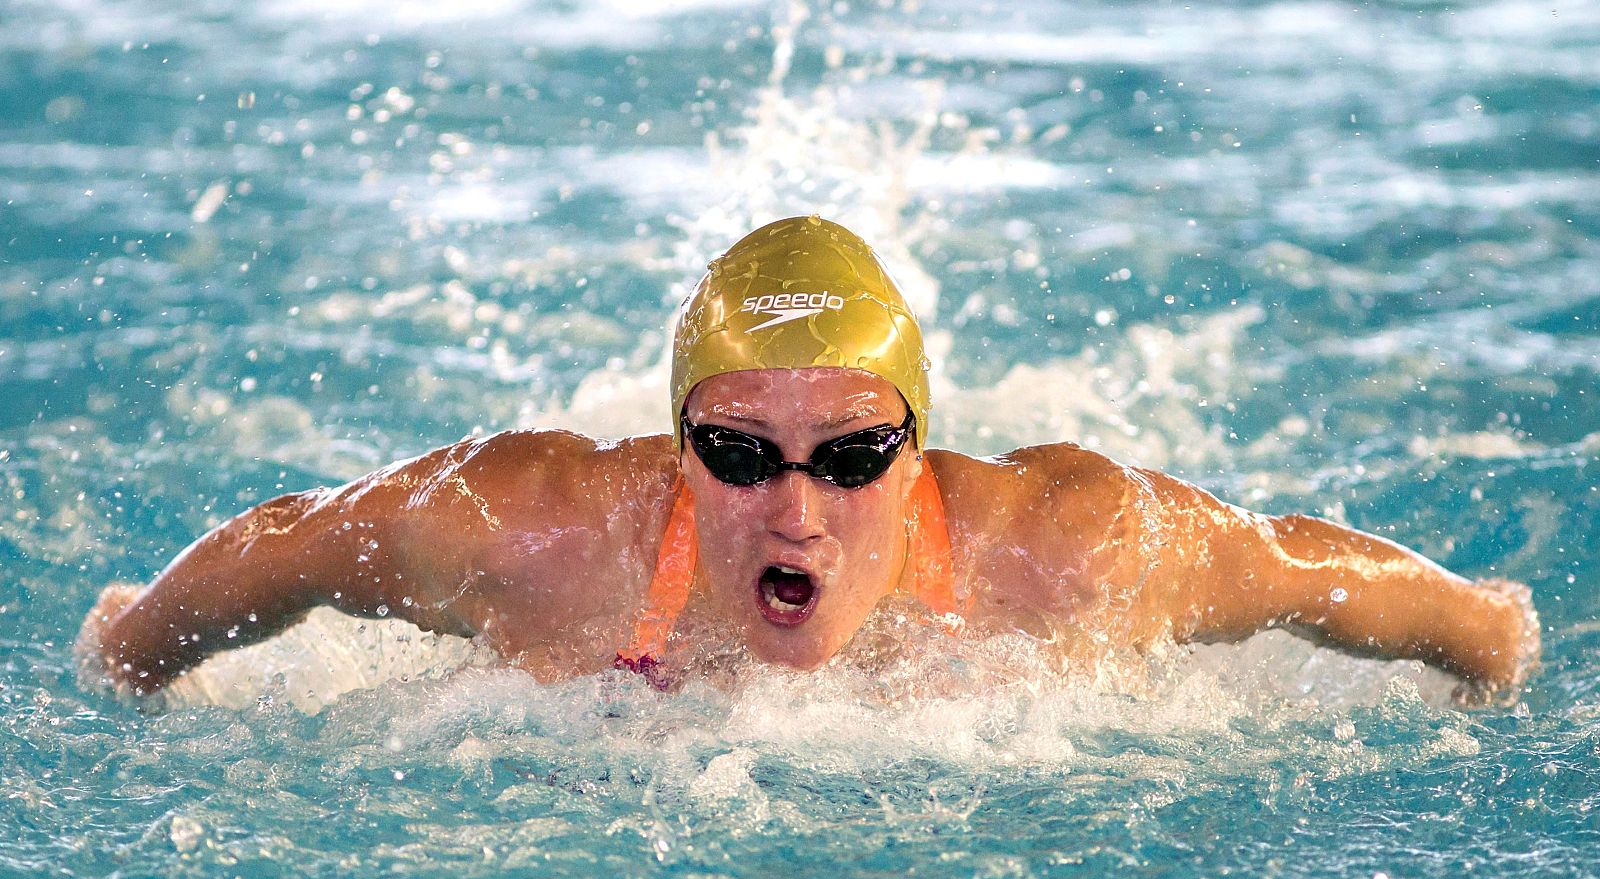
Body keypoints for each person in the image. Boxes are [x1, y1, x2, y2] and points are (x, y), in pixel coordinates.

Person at [78, 216, 1539, 704]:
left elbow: (1309, 568)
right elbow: (293, 542)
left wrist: (1499, 646)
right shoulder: (532, 536)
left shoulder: (1075, 553)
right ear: (674, 446)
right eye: (736, 451)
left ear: (917, 450)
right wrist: (126, 653)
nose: (794, 508)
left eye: (851, 455)